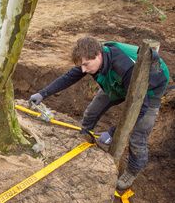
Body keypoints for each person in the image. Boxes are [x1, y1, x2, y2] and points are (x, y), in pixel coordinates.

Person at [29, 36, 170, 190]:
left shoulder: (125, 67)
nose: (83, 70)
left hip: (149, 89)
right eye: (81, 66)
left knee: (137, 135)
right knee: (92, 111)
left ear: (99, 55)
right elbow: (69, 77)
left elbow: (140, 108)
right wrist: (43, 94)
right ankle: (83, 135)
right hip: (118, 82)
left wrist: (112, 133)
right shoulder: (90, 58)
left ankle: (133, 170)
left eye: (86, 65)